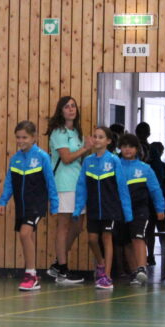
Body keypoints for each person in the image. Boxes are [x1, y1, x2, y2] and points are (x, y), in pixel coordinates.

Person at [0, 121, 58, 291]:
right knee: (25, 236)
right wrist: (3, 201)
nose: (20, 140)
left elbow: (50, 181)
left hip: (36, 204)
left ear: (34, 137)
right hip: (21, 205)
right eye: (18, 137)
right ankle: (31, 273)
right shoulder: (15, 159)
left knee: (25, 234)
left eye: (24, 137)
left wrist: (54, 204)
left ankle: (31, 274)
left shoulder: (42, 157)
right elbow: (9, 182)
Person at [73, 126, 132, 290]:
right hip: (93, 209)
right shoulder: (88, 161)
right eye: (95, 136)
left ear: (108, 141)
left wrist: (127, 212)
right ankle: (101, 263)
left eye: (101, 137)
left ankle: (106, 276)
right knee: (92, 239)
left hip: (110, 209)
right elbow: (81, 186)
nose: (97, 139)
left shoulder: (113, 160)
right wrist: (78, 208)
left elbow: (122, 187)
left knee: (107, 238)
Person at [44, 96, 93, 286]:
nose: (71, 109)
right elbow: (66, 158)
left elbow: (79, 158)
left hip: (78, 183)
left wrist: (87, 149)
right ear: (61, 111)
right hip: (63, 184)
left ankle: (58, 264)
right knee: (63, 225)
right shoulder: (59, 132)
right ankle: (63, 270)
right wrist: (85, 148)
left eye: (73, 106)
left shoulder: (76, 132)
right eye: (67, 107)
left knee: (78, 226)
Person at [117, 133, 165, 286]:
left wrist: (160, 208)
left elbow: (155, 190)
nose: (127, 149)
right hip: (121, 210)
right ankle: (134, 273)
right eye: (124, 146)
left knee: (138, 237)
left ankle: (141, 269)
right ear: (120, 148)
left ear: (137, 149)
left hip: (140, 210)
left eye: (131, 147)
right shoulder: (115, 166)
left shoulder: (145, 168)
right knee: (126, 241)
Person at [145, 141, 165, 267]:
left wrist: (160, 191)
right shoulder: (149, 167)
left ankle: (161, 256)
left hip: (158, 202)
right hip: (153, 203)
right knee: (154, 230)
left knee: (157, 230)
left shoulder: (164, 168)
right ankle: (152, 256)